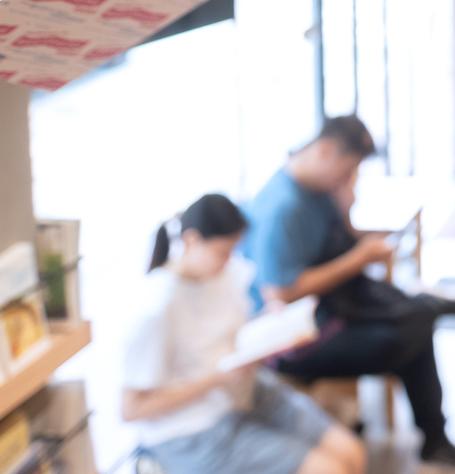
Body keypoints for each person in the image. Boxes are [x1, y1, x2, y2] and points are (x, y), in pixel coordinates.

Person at [243, 116, 455, 471]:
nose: (348, 177)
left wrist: (347, 202)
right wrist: (358, 259)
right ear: (326, 151)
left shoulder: (316, 191)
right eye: (348, 169)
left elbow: (341, 236)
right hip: (292, 338)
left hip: (331, 312)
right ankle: (435, 435)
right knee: (412, 326)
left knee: (413, 320)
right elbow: (281, 293)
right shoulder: (283, 207)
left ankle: (426, 310)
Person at [122, 194, 365, 474]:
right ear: (191, 240)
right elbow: (132, 409)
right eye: (222, 252)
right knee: (329, 470)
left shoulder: (225, 274)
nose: (228, 261)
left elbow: (229, 336)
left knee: (351, 453)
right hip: (194, 429)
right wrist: (216, 379)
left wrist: (273, 325)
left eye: (233, 251)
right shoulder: (155, 308)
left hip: (247, 393)